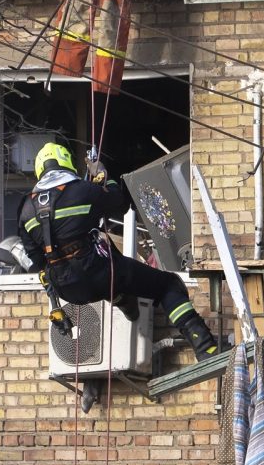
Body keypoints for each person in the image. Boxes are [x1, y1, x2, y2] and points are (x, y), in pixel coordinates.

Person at [17, 142, 221, 361]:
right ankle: (206, 348)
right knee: (168, 285)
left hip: (66, 289)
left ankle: (124, 302)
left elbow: (37, 261)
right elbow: (120, 203)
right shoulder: (82, 191)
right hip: (97, 272)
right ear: (67, 163)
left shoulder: (25, 208)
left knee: (114, 269)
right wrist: (104, 175)